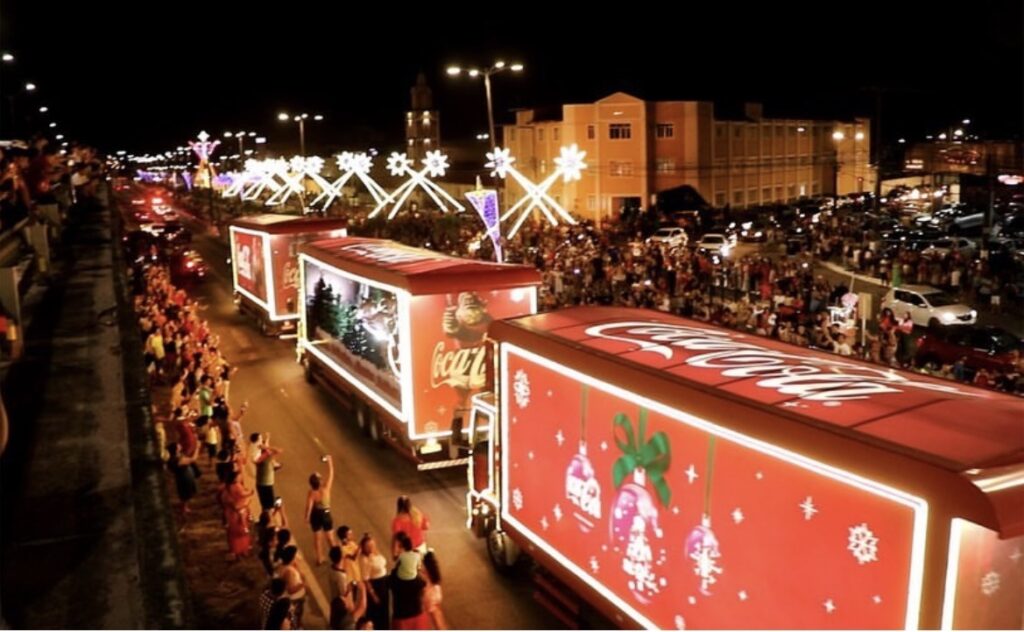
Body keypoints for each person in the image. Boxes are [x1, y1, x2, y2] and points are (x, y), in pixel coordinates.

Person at [390, 534, 429, 630]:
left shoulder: (396, 575)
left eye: (397, 547)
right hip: (416, 615)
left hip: (403, 618)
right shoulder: (416, 569)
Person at [305, 454, 335, 565]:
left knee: (317, 537)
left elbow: (309, 506)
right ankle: (336, 556)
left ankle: (319, 557)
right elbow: (331, 474)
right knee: (330, 538)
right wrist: (330, 462)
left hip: (315, 515)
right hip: (326, 514)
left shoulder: (312, 493)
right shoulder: (326, 489)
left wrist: (307, 517)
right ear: (320, 481)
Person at [359, 534, 390, 631]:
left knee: (385, 609)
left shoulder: (376, 552)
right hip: (376, 586)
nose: (371, 547)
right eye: (368, 546)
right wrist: (373, 594)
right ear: (364, 548)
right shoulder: (365, 560)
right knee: (377, 612)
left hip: (384, 582)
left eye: (372, 545)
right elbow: (366, 579)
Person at [220, 470, 253, 560]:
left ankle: (237, 551)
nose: (241, 477)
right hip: (237, 515)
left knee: (233, 534)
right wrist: (250, 496)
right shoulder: (237, 487)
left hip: (230, 515)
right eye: (239, 476)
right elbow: (243, 497)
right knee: (241, 532)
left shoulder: (226, 488)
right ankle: (242, 550)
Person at [276, 545, 307, 629]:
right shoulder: (289, 572)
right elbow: (290, 590)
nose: (298, 556)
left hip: (296, 598)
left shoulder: (284, 566)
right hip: (295, 598)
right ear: (292, 557)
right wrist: (303, 584)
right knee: (296, 615)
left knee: (297, 614)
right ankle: (297, 627)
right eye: (296, 554)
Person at [166, 442, 197, 519]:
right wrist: (198, 448)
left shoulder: (179, 455)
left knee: (187, 492)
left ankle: (185, 507)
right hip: (183, 477)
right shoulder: (175, 459)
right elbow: (192, 459)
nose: (180, 445)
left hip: (186, 475)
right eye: (178, 445)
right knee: (184, 493)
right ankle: (183, 510)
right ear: (176, 449)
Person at [254, 433, 283, 510]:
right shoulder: (266, 456)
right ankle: (269, 518)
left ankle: (265, 518)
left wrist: (267, 438)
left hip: (261, 483)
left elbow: (267, 449)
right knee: (271, 505)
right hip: (266, 484)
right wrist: (267, 446)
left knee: (265, 505)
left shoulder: (261, 455)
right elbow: (279, 450)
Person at [420, 551, 447, 630]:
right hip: (436, 592)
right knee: (439, 616)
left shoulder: (423, 571)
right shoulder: (434, 570)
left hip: (429, 596)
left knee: (436, 622)